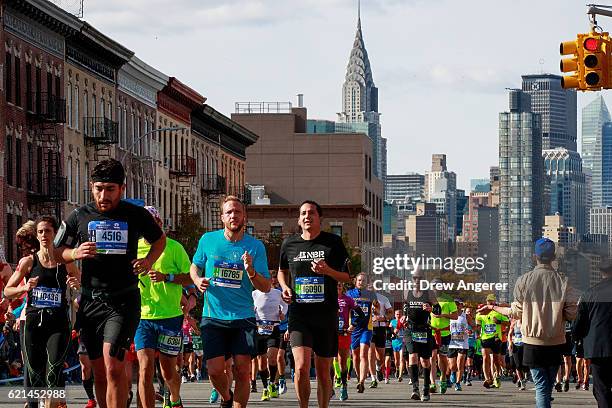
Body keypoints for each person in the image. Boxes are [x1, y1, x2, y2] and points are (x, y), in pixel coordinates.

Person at [53, 159, 166, 408]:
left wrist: (147, 262)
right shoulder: (79, 215)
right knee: (99, 372)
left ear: (122, 189)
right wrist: (75, 253)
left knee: (114, 367)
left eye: (110, 189)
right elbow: (57, 251)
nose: (104, 195)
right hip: (91, 302)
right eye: (99, 188)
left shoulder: (136, 214)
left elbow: (160, 241)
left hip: (123, 300)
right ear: (91, 187)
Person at [190, 195, 271, 408]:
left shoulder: (255, 247)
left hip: (243, 317)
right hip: (213, 316)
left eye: (237, 212)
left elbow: (266, 286)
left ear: (244, 216)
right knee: (215, 370)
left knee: (243, 371)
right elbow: (194, 266)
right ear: (222, 217)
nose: (233, 215)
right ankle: (226, 398)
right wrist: (197, 280)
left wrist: (251, 271)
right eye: (229, 212)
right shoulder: (208, 240)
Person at [478, 238, 578, 408]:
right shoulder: (563, 281)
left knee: (541, 387)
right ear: (553, 257)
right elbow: (571, 314)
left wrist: (493, 307)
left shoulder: (523, 280)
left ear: (534, 257)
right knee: (547, 387)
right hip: (555, 342)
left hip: (532, 342)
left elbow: (516, 312)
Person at [278, 200, 351, 408]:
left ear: (320, 218)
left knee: (323, 372)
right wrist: (284, 287)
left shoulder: (333, 243)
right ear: (299, 220)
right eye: (303, 214)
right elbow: (282, 271)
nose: (307, 216)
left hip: (326, 314)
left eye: (311, 213)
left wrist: (327, 270)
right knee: (300, 367)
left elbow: (347, 277)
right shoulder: (289, 244)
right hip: (299, 314)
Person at [5, 216, 81, 408]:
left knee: (53, 371)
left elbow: (82, 287)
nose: (44, 235)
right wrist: (24, 289)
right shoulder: (28, 262)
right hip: (32, 322)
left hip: (58, 323)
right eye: (40, 232)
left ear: (55, 234)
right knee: (34, 373)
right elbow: (8, 291)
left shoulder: (65, 261)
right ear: (36, 236)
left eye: (48, 231)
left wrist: (76, 285)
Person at [134, 205, 192, 408]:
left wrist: (166, 277)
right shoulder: (133, 247)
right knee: (145, 369)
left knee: (168, 371)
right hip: (142, 317)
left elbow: (190, 278)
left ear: (159, 223)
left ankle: (174, 397)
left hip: (170, 316)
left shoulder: (174, 247)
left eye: (152, 223)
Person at [572, 258, 612, 407]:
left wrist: (576, 337)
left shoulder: (589, 293)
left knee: (601, 388)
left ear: (601, 272)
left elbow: (579, 322)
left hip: (598, 347)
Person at [403, 267, 436, 402]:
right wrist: (404, 317)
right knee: (413, 357)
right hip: (410, 329)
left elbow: (437, 309)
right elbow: (405, 307)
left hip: (424, 330)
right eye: (414, 278)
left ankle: (426, 388)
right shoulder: (406, 292)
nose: (417, 280)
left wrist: (431, 308)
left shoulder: (429, 293)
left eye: (420, 278)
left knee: (425, 361)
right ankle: (415, 389)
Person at [346, 272, 376, 392]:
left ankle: (362, 382)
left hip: (366, 328)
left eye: (363, 281)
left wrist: (376, 310)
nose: (361, 282)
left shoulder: (370, 294)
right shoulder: (349, 294)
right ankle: (359, 377)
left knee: (364, 353)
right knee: (355, 356)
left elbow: (377, 307)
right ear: (355, 281)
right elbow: (345, 310)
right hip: (354, 328)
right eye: (359, 280)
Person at [335, 281, 365, 401]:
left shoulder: (348, 299)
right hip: (330, 334)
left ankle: (343, 386)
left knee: (342, 361)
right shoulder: (327, 299)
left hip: (344, 334)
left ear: (343, 287)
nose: (338, 286)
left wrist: (353, 325)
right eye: (335, 284)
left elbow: (361, 314)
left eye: (340, 285)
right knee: (329, 360)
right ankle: (329, 387)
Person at [428, 278, 458, 394]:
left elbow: (455, 316)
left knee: (442, 358)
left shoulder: (448, 299)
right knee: (432, 357)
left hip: (445, 333)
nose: (436, 288)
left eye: (438, 286)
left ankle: (443, 379)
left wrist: (442, 315)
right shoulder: (429, 298)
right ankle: (432, 383)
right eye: (434, 286)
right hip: (431, 332)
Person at [475, 294, 508, 389]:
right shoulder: (480, 314)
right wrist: (476, 331)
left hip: (496, 338)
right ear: (486, 302)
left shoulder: (499, 312)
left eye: (491, 301)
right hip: (485, 338)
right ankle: (487, 379)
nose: (490, 302)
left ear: (494, 302)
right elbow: (477, 326)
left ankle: (497, 376)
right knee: (485, 358)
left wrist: (499, 322)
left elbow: (508, 323)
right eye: (488, 301)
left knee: (496, 360)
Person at [370, 289, 393, 386]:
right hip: (369, 329)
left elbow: (391, 313)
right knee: (370, 353)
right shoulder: (362, 298)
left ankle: (378, 367)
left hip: (380, 329)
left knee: (381, 356)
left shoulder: (383, 299)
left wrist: (382, 318)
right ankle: (373, 378)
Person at [448, 299, 469, 391]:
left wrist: (470, 330)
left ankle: (458, 383)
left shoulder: (466, 316)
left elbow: (475, 326)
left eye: (457, 304)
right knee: (452, 366)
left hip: (462, 343)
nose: (456, 306)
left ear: (461, 305)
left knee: (460, 364)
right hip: (452, 343)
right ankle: (453, 372)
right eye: (454, 304)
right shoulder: (450, 315)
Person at [508, 317, 527, 390]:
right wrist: (510, 343)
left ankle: (523, 377)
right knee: (518, 365)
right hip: (516, 345)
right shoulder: (514, 323)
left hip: (525, 345)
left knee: (525, 365)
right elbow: (510, 334)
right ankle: (522, 381)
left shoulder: (526, 322)